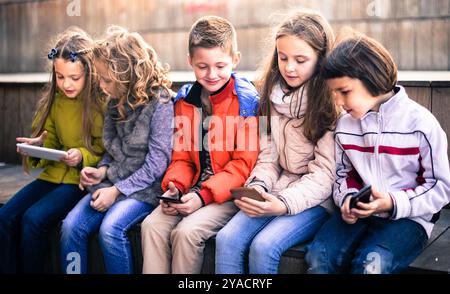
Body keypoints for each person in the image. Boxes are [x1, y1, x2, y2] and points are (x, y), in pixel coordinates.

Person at [305, 32, 450, 274]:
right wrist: (348, 200)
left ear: (371, 79)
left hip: (409, 218)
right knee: (318, 256)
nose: (338, 101)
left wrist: (393, 203)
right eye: (334, 93)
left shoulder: (421, 124)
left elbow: (440, 187)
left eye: (344, 91)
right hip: (359, 216)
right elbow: (344, 174)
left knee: (371, 263)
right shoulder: (346, 126)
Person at [215, 10, 338, 274]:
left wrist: (282, 203)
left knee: (264, 246)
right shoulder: (269, 96)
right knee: (227, 239)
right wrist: (258, 186)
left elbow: (325, 176)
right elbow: (268, 157)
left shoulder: (331, 103)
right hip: (277, 188)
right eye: (283, 58)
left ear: (321, 60)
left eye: (300, 60)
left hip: (315, 200)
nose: (289, 67)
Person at [140, 15, 260, 274]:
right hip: (190, 189)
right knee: (151, 226)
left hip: (228, 194)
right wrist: (174, 187)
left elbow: (243, 165)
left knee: (186, 232)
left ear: (235, 59)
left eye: (220, 65)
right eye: (202, 66)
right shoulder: (186, 101)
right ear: (190, 62)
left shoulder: (247, 104)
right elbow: (181, 157)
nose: (212, 74)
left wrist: (203, 196)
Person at [60, 26, 174, 274]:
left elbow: (157, 164)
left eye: (106, 80)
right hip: (113, 183)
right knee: (71, 227)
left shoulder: (161, 103)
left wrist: (116, 190)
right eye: (100, 78)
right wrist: (101, 171)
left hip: (146, 190)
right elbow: (112, 149)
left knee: (111, 228)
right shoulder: (115, 100)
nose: (101, 86)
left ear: (129, 76)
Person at [0, 27, 105, 273]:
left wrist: (82, 156)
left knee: (33, 219)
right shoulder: (55, 100)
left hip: (78, 182)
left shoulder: (101, 102)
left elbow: (106, 148)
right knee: (5, 217)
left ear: (89, 73)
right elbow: (52, 141)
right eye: (60, 77)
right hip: (52, 176)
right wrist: (37, 147)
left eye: (73, 78)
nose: (65, 84)